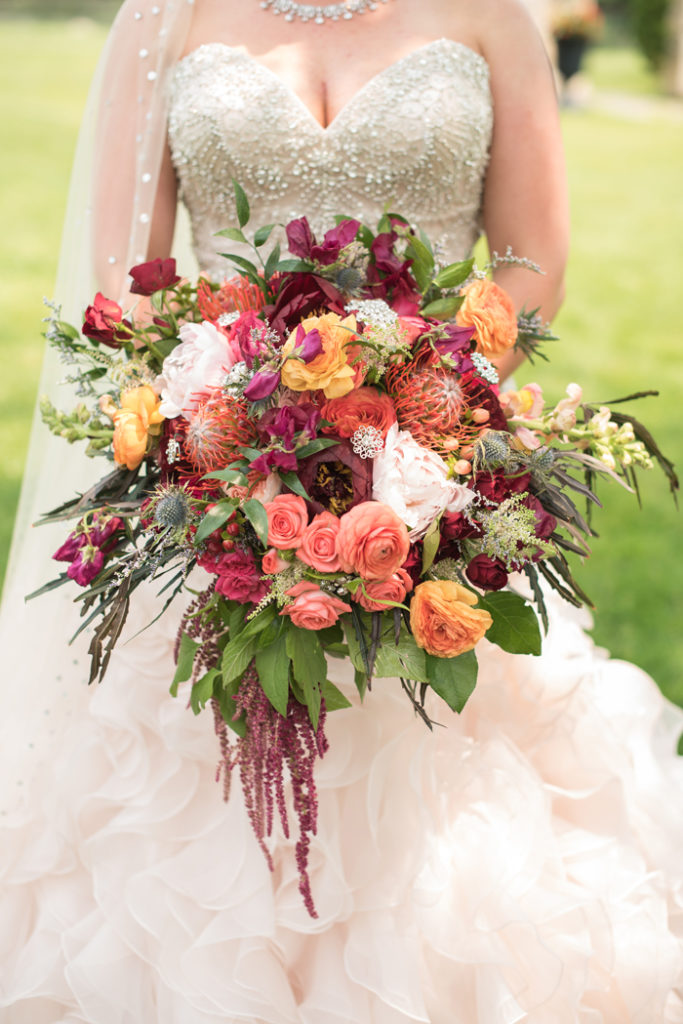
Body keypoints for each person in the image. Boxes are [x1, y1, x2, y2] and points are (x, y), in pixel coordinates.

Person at [2, 0, 682, 1019]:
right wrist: (217, 433)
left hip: (431, 491)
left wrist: (419, 430)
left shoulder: (493, 16)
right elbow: (125, 280)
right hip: (224, 482)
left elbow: (529, 266)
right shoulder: (165, 16)